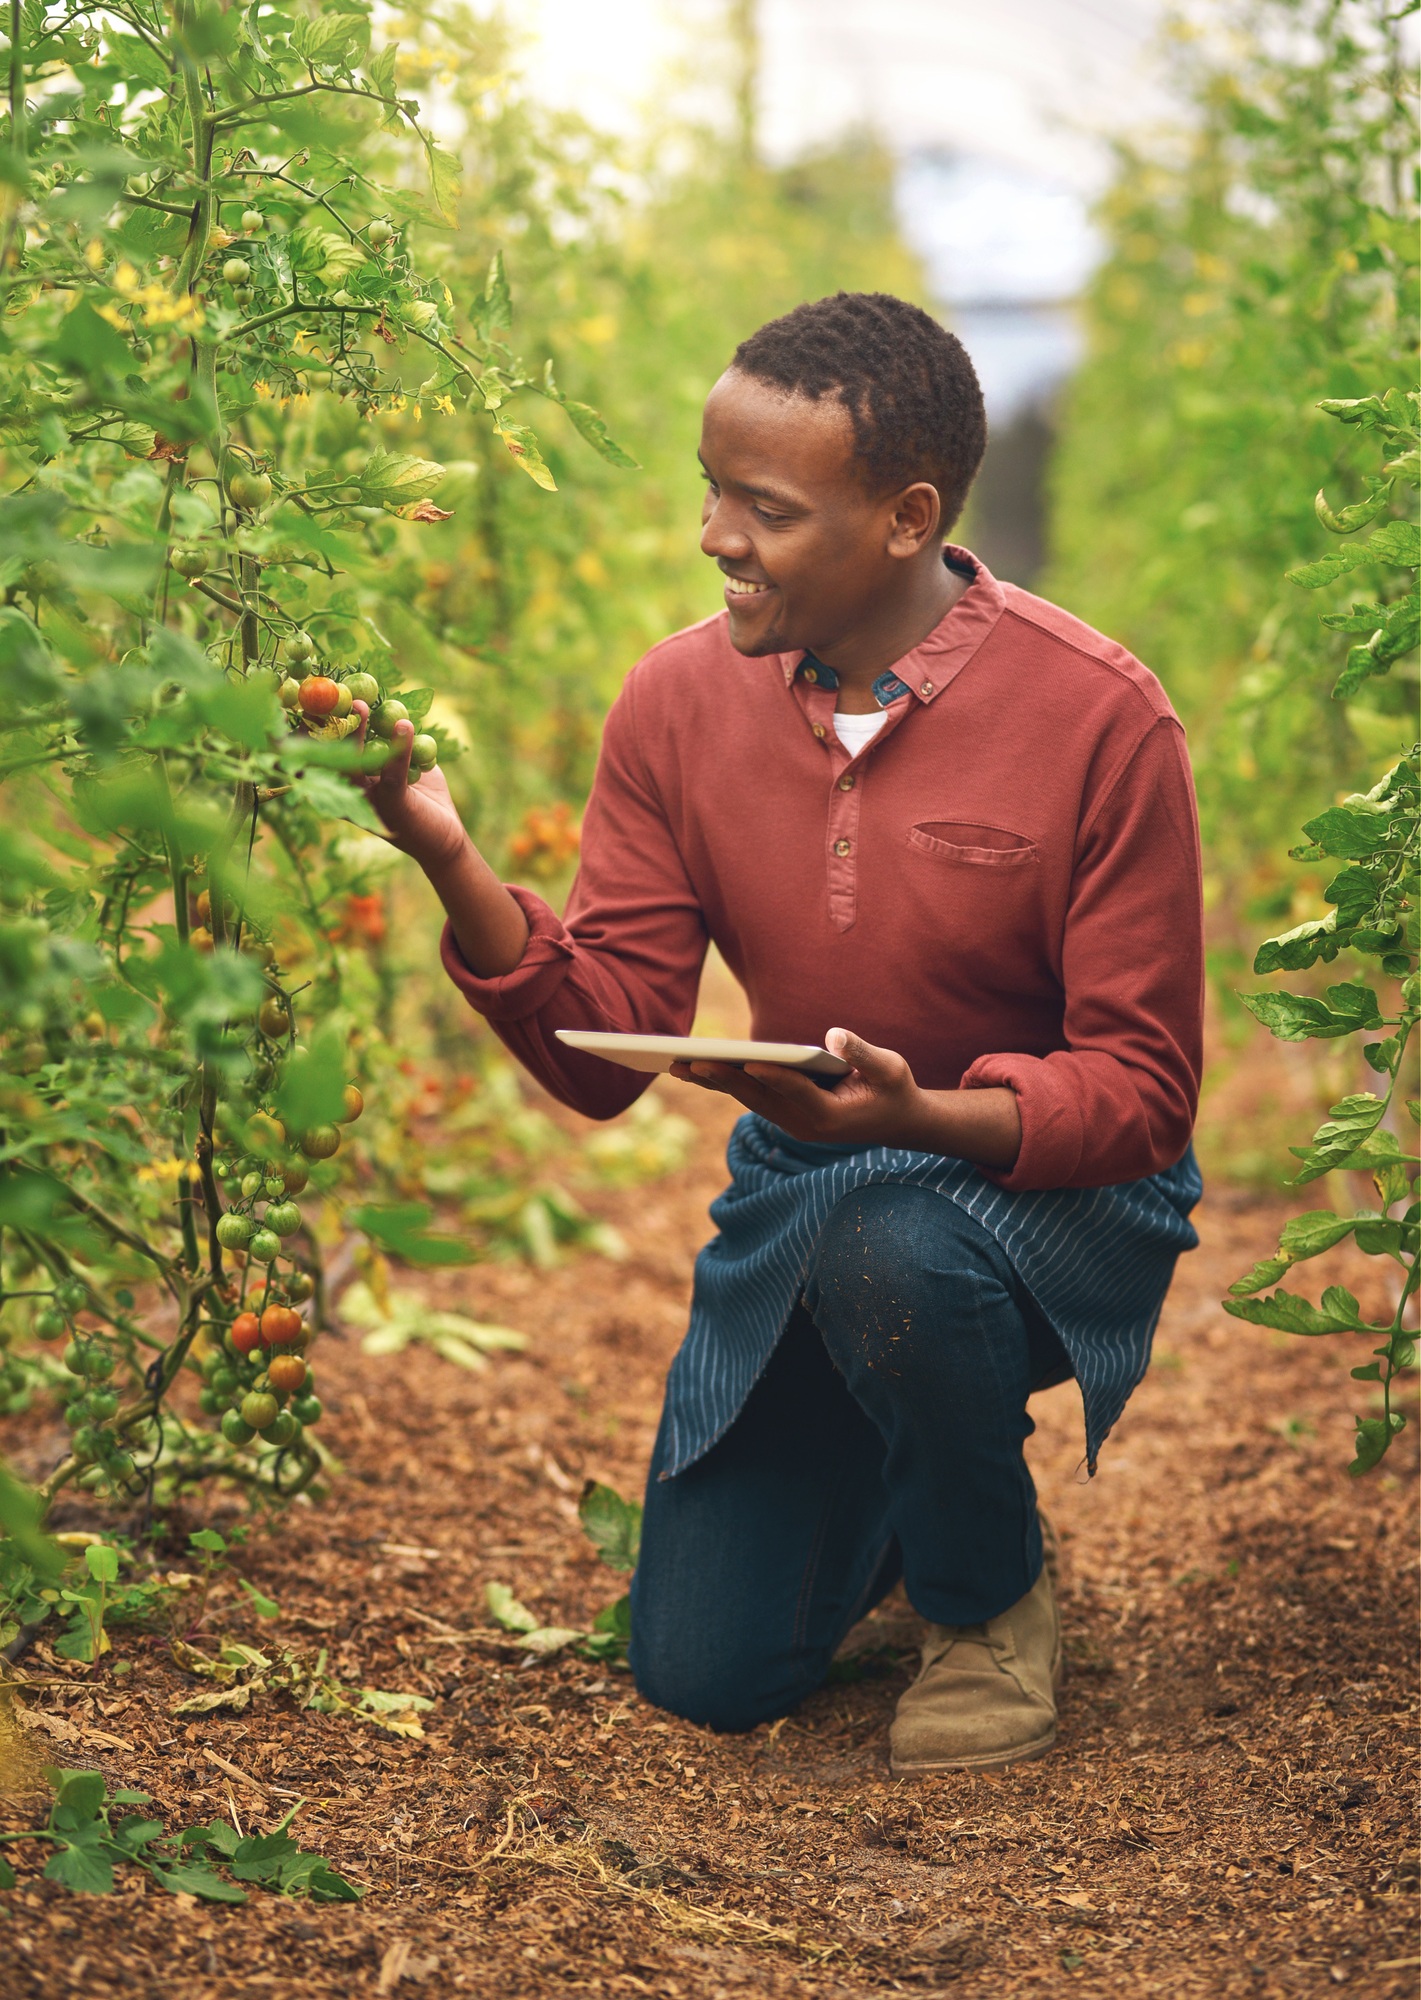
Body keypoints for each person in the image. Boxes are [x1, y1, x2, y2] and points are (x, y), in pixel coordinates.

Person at [355, 291, 1204, 1773]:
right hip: (808, 1197)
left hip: (1041, 1199)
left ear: (904, 518)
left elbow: (1141, 1092)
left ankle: (982, 1590)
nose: (713, 537)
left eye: (761, 507)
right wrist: (444, 856)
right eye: (710, 490)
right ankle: (900, 1458)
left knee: (893, 1244)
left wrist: (916, 1119)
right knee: (708, 1671)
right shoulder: (679, 703)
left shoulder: (1098, 719)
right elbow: (600, 1043)